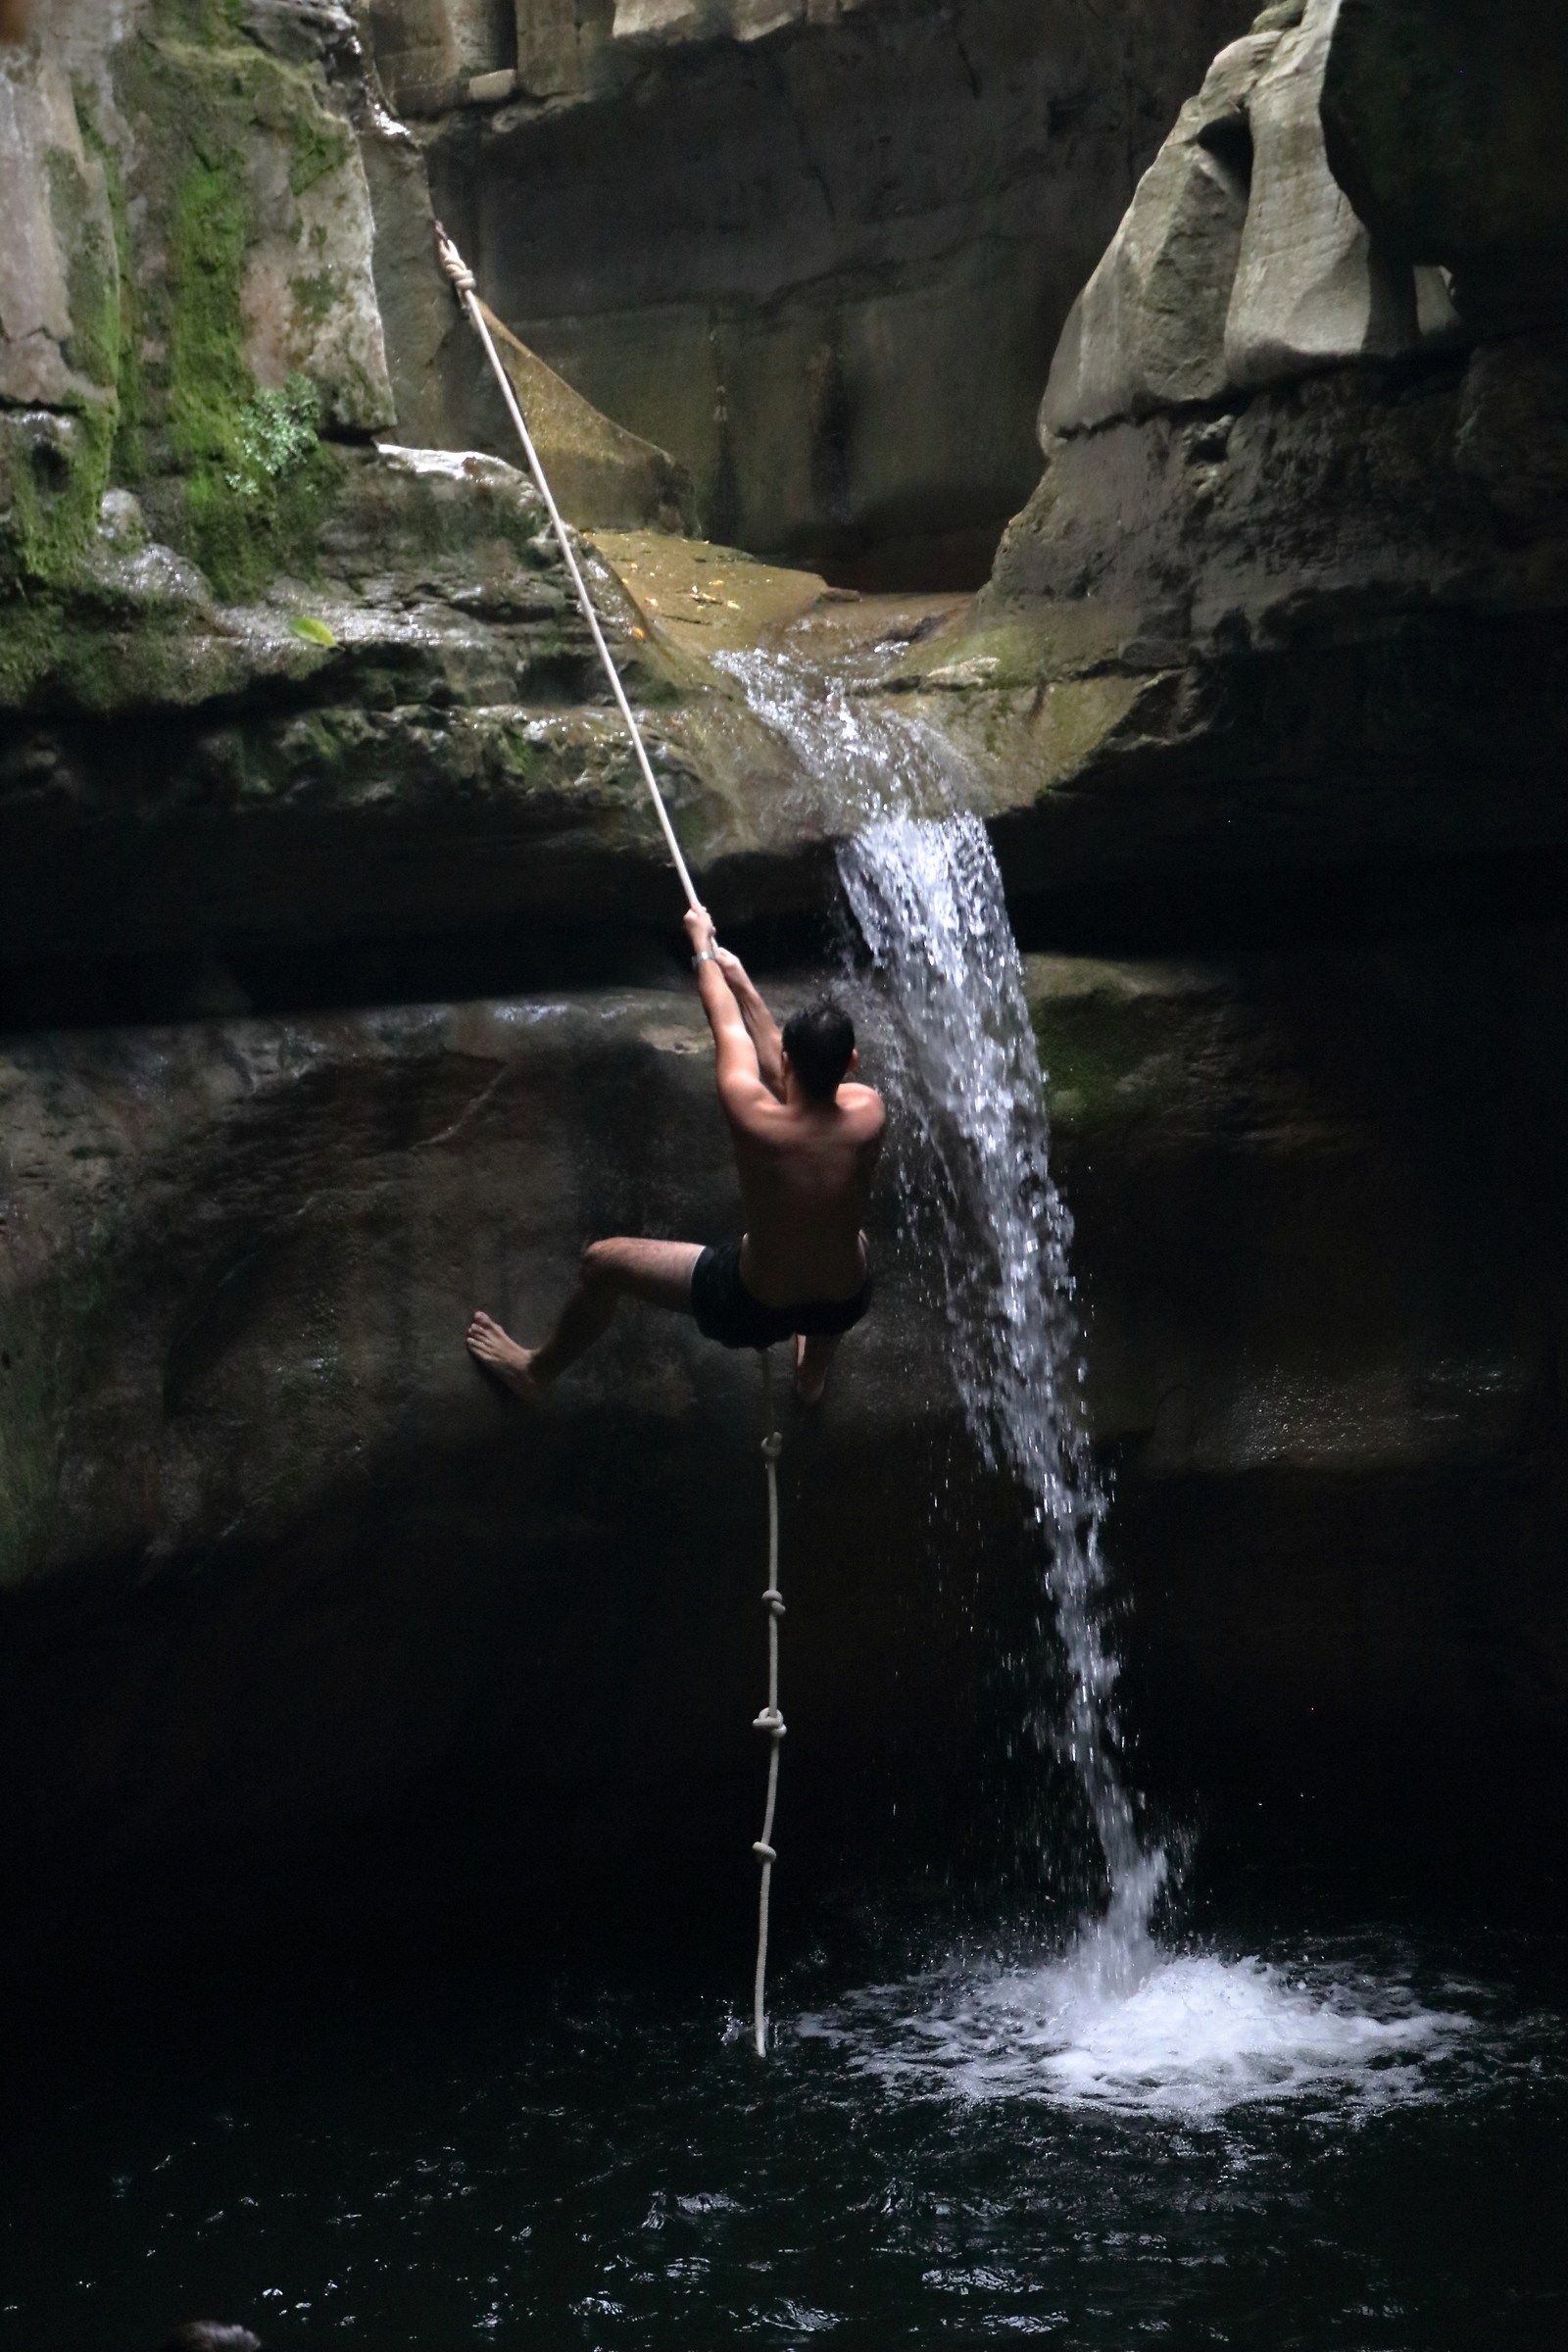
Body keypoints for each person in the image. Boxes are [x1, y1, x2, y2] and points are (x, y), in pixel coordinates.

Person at [467, 906, 886, 1405]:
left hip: (755, 1304)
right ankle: (811, 1375)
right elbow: (794, 1080)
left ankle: (534, 1372)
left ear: (788, 1059)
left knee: (602, 1262)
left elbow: (727, 1027)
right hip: (843, 1299)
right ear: (851, 1065)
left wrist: (703, 949)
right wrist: (743, 980)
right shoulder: (869, 1110)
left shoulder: (752, 1114)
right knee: (848, 1237)